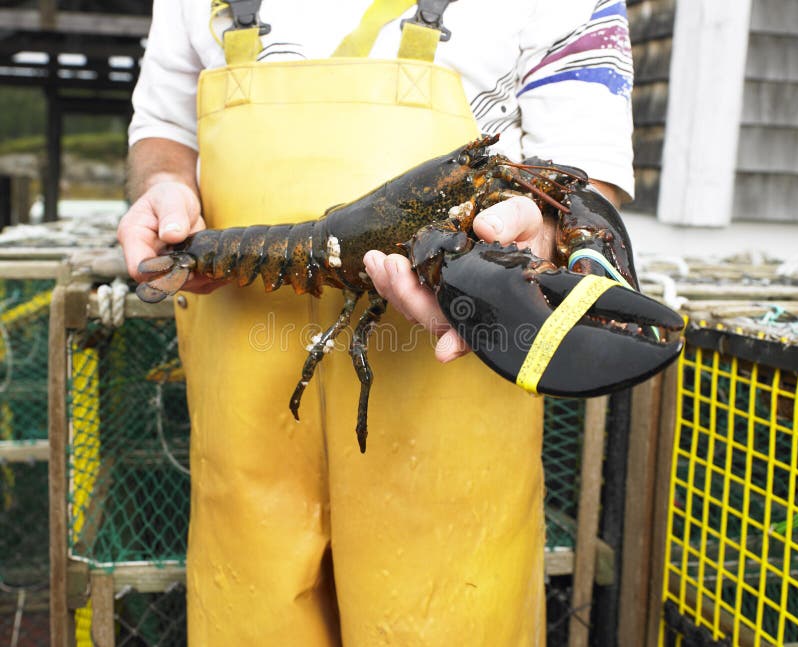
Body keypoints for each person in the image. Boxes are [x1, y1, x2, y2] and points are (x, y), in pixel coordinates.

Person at [118, 1, 634, 644]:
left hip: (456, 392)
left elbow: (583, 171)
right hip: (241, 379)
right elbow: (164, 128)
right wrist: (163, 186)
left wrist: (545, 229)